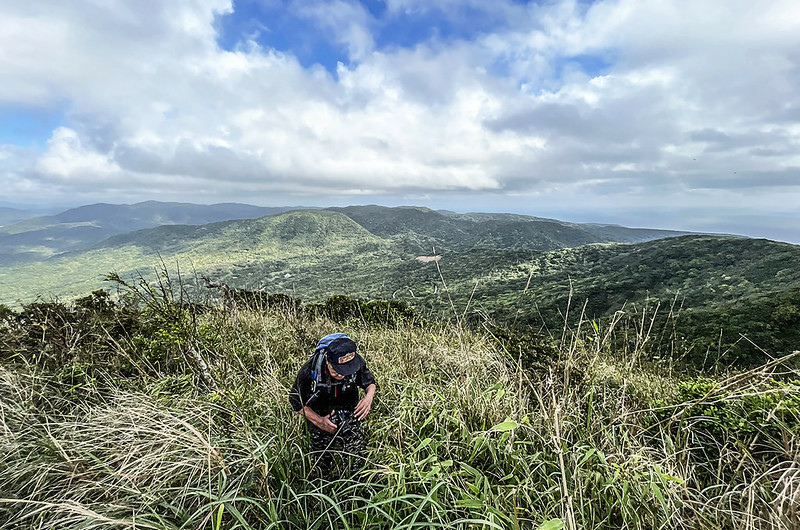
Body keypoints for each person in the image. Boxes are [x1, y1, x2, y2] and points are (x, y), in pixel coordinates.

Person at [289, 333, 377, 477]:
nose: (342, 375)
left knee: (355, 458)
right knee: (321, 463)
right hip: (320, 415)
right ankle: (322, 486)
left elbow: (370, 383)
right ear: (327, 361)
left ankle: (356, 485)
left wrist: (368, 398)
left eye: (347, 370)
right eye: (336, 371)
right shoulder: (309, 370)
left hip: (350, 413)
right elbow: (295, 402)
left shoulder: (356, 362)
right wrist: (320, 421)